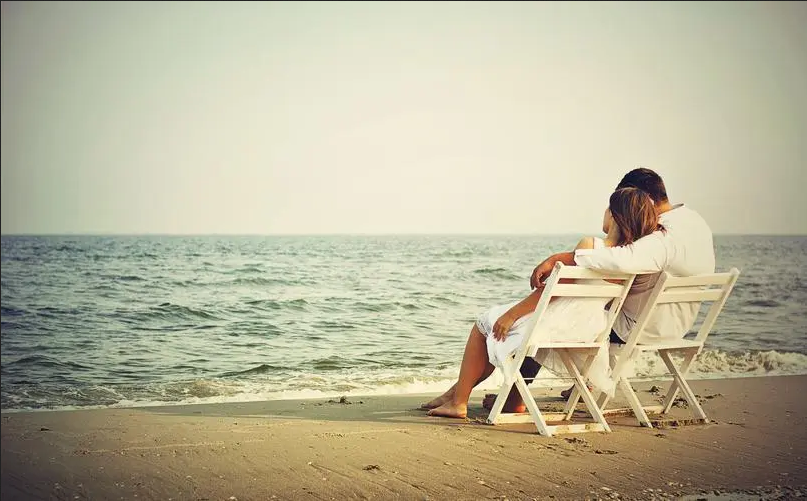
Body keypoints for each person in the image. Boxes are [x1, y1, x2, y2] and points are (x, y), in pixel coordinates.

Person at [482, 167, 716, 409]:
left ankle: (515, 397)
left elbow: (619, 258)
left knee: (555, 315)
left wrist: (564, 258)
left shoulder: (661, 237)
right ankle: (585, 384)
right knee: (586, 302)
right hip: (679, 324)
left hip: (641, 328)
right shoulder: (692, 221)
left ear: (643, 198)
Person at [421, 187, 662, 419]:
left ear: (614, 214)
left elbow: (553, 292)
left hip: (559, 324)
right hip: (589, 331)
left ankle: (459, 402)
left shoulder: (591, 245)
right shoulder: (631, 260)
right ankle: (462, 395)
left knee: (484, 323)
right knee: (499, 329)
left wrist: (512, 314)